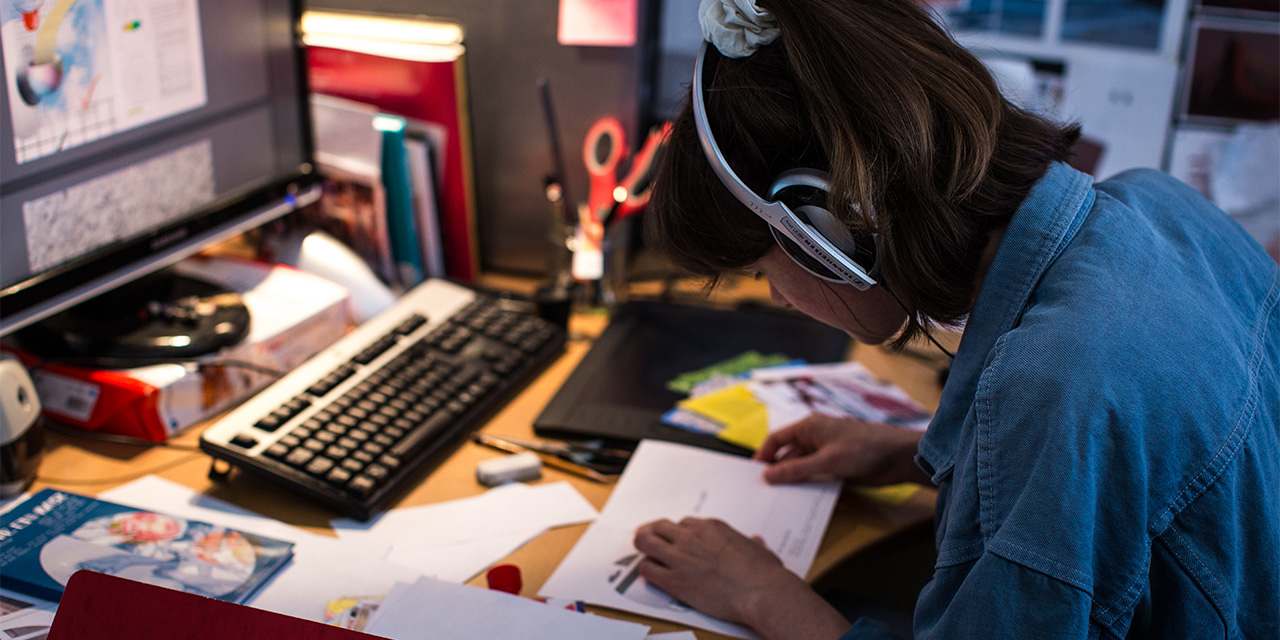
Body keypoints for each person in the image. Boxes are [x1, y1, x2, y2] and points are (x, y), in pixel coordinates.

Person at [632, 0, 1280, 638]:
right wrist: (914, 453)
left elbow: (1070, 425)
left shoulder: (1047, 389)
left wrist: (759, 593)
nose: (776, 297)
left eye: (762, 270)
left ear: (828, 228)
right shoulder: (1157, 204)